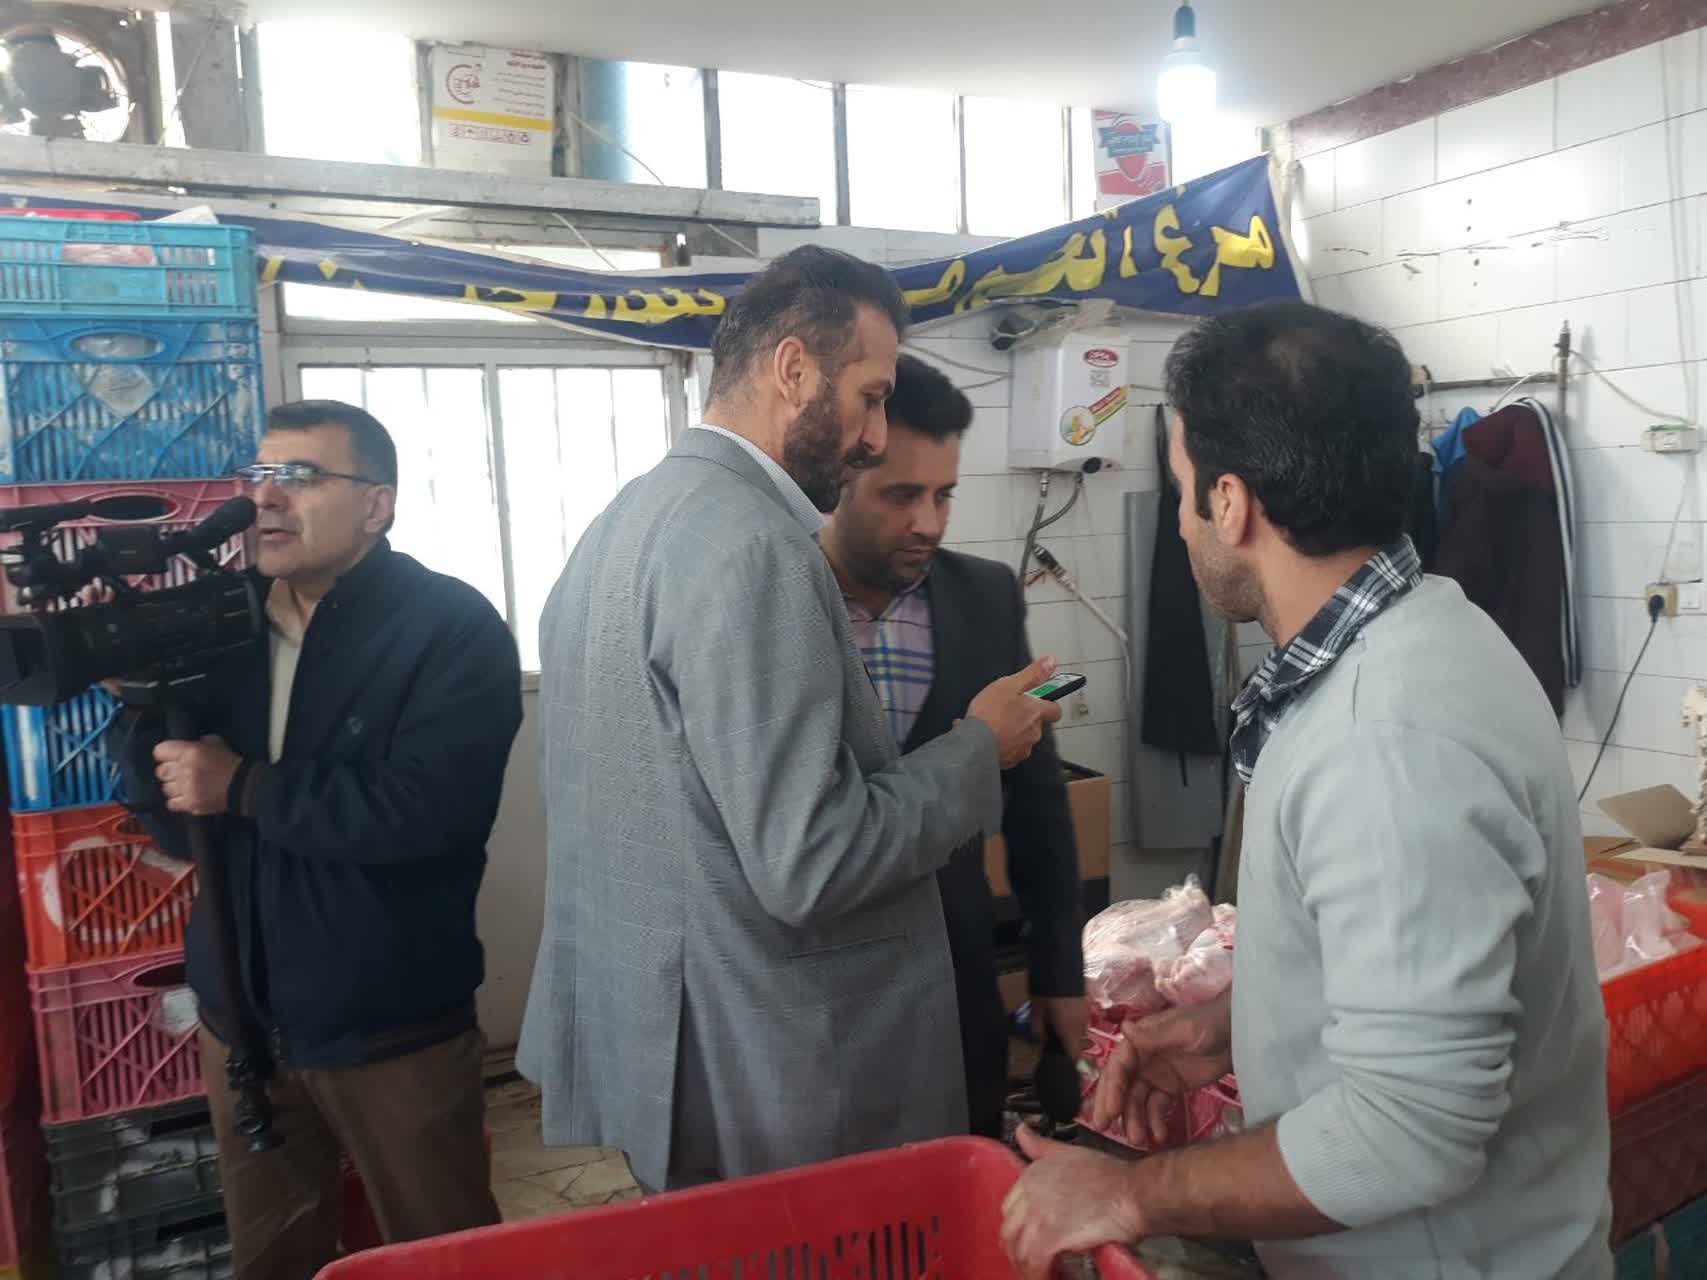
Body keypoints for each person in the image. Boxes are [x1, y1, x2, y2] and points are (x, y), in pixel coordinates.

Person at [1000, 301, 1611, 1279]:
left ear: (1230, 504)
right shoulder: (1425, 634)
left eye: (1183, 492)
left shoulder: (1384, 738)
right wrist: (1241, 1020)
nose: (1185, 520)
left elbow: (1411, 1130)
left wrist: (1125, 1193)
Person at [519, 245, 1062, 1194]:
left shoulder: (619, 527)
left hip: (665, 1040)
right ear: (792, 370)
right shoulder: (757, 549)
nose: (873, 436)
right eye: (869, 398)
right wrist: (978, 747)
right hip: (775, 1064)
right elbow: (813, 862)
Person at [113, 400, 524, 1280]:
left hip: (392, 1027)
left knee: (446, 1255)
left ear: (376, 505)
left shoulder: (448, 627)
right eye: (257, 475)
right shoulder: (223, 623)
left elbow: (427, 811)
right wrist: (141, 708)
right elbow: (175, 821)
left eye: (297, 477)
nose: (265, 498)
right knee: (272, 1258)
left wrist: (242, 785)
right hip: (241, 1021)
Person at [819, 352, 1085, 1139]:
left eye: (943, 495)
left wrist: (1058, 971)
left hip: (955, 981)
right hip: (818, 995)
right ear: (834, 482)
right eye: (901, 495)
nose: (930, 523)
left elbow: (1037, 799)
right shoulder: (780, 604)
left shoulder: (986, 597)